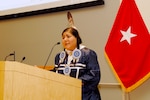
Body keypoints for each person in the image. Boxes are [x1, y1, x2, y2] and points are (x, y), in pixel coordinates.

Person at [54, 27, 101, 100]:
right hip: (65, 95)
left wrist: (75, 83)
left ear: (76, 38)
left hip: (86, 96)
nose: (65, 39)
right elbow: (55, 72)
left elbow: (94, 75)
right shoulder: (59, 57)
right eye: (63, 38)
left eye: (68, 36)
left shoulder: (88, 54)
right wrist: (41, 72)